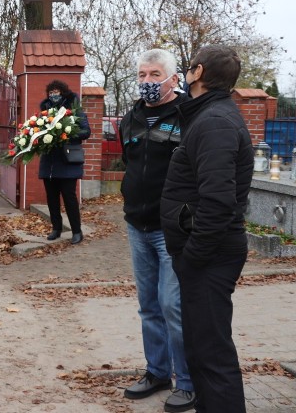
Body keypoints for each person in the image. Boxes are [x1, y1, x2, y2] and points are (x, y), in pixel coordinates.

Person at [161, 45, 253, 412]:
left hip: (209, 256)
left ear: (197, 72)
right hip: (204, 254)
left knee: (212, 352)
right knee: (200, 347)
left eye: (189, 67)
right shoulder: (207, 115)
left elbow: (217, 201)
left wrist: (192, 257)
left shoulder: (214, 121)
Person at [119, 49, 195, 412]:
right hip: (137, 223)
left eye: (154, 74)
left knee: (172, 305)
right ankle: (157, 371)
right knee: (148, 305)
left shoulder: (187, 115)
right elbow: (130, 162)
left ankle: (189, 381)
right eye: (142, 74)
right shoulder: (131, 115)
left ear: (173, 79)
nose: (147, 81)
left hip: (172, 228)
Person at [38, 80, 90, 245]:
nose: (54, 95)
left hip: (67, 161)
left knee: (69, 197)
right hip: (50, 161)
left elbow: (85, 131)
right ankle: (56, 228)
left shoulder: (74, 109)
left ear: (63, 92)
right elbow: (38, 130)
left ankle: (76, 231)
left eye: (57, 91)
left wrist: (65, 133)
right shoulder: (45, 110)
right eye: (51, 92)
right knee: (51, 198)